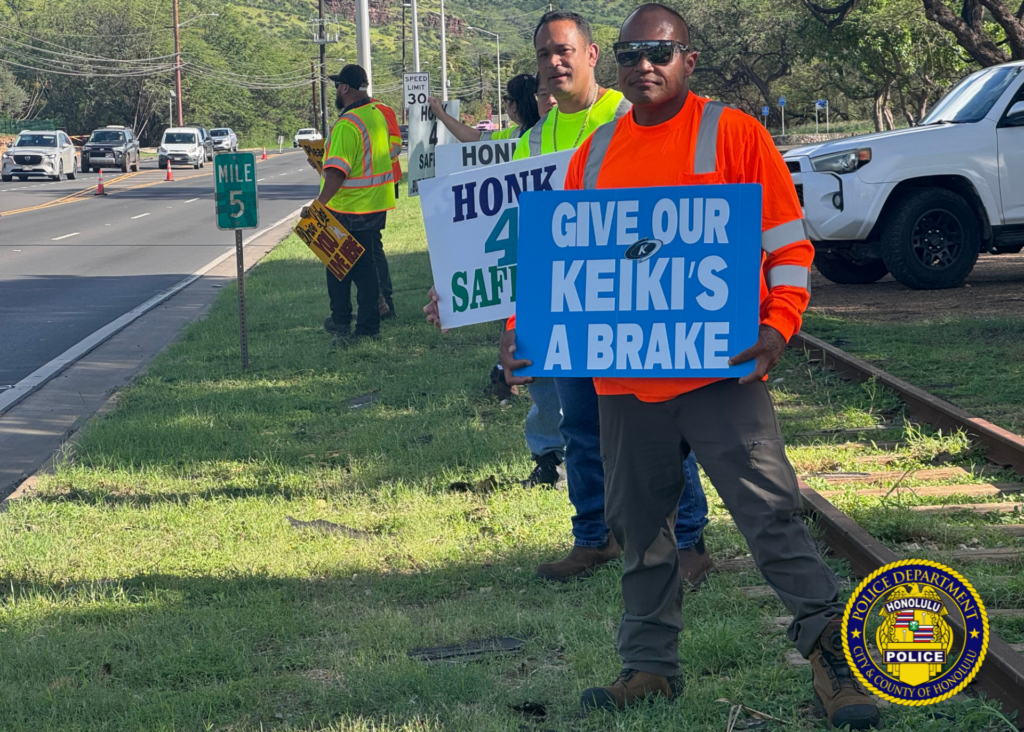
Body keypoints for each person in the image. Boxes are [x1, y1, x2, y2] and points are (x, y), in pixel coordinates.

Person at [512, 5, 880, 728]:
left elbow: (789, 246)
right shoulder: (597, 153)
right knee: (640, 527)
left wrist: (777, 327)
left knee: (771, 518)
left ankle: (837, 664)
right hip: (625, 381)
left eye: (660, 50)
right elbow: (565, 263)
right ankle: (648, 667)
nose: (643, 63)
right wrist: (528, 331)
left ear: (690, 59)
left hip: (723, 374)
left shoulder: (734, 134)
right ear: (613, 62)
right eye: (630, 52)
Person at [503, 9, 715, 584]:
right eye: (546, 53)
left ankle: (690, 539)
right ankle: (592, 536)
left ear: (593, 55)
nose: (555, 62)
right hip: (570, 304)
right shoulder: (534, 140)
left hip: (637, 299)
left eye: (565, 50)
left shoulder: (628, 112)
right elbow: (524, 240)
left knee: (662, 419)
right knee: (578, 426)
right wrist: (499, 316)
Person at [309, 64, 399, 342]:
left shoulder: (347, 124)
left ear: (345, 88)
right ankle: (355, 320)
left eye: (337, 86)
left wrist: (319, 205)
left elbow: (337, 171)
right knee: (364, 266)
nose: (336, 90)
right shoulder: (374, 114)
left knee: (341, 265)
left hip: (349, 206)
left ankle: (352, 323)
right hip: (373, 202)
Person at [429, 73, 541, 143]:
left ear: (514, 105)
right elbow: (476, 137)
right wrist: (441, 115)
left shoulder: (515, 135)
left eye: (506, 99)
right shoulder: (545, 129)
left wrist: (441, 114)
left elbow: (475, 138)